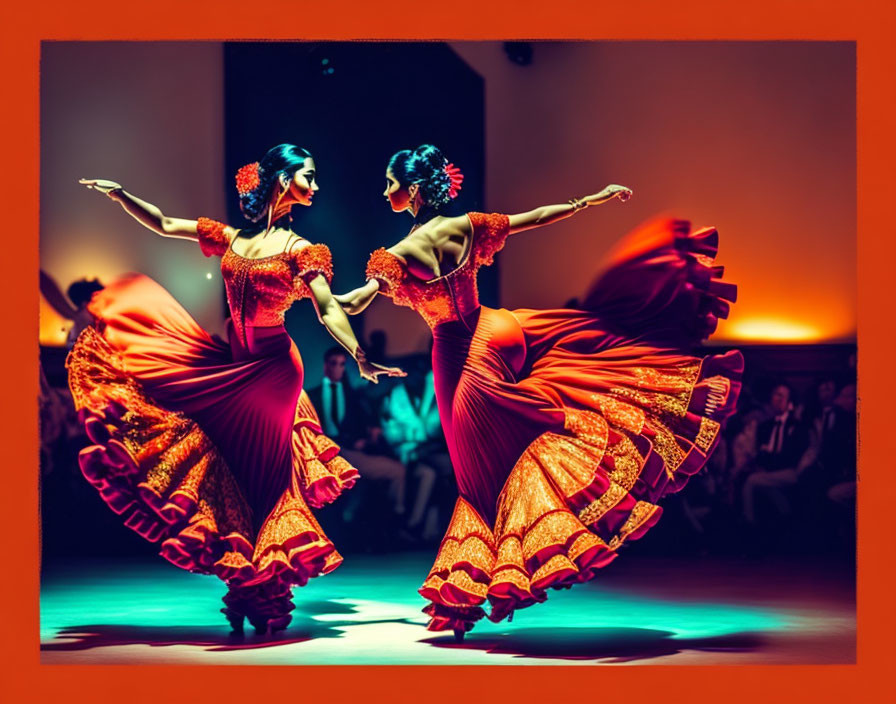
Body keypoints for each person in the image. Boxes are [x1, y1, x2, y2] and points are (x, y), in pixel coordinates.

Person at [335, 144, 743, 638]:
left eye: (391, 183)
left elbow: (351, 304)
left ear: (414, 189)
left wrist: (315, 292)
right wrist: (589, 200)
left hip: (458, 352)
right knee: (494, 457)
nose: (385, 191)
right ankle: (461, 592)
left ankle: (469, 586)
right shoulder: (466, 224)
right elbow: (532, 218)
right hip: (498, 330)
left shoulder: (398, 255)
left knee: (480, 473)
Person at [69, 144, 403, 635]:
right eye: (308, 175)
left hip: (273, 371)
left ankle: (264, 585)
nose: (315, 185)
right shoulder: (232, 237)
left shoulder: (301, 250)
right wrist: (123, 197)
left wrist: (358, 355)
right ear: (282, 178)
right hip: (233, 362)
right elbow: (164, 224)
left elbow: (328, 308)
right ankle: (247, 580)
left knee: (265, 477)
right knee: (232, 469)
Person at [308, 346, 408, 518]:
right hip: (324, 454)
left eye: (342, 364)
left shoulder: (352, 396)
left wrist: (364, 437)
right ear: (326, 365)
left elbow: (363, 421)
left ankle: (394, 519)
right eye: (334, 363)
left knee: (394, 472)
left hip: (351, 452)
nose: (338, 368)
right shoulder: (311, 396)